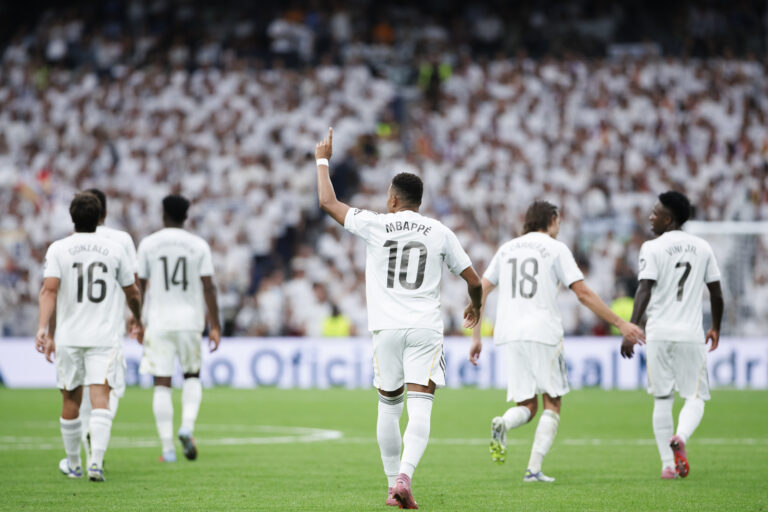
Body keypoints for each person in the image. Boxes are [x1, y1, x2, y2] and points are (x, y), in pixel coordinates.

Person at [315, 127, 482, 509]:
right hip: (425, 327)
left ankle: (393, 485)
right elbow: (474, 280)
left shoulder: (376, 223)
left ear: (392, 199)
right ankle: (406, 476)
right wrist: (476, 306)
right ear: (418, 202)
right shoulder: (440, 232)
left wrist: (322, 159)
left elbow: (327, 202)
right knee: (420, 406)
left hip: (386, 328)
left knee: (388, 406)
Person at [469, 200, 645, 482]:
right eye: (558, 221)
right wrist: (620, 322)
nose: (560, 226)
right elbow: (583, 293)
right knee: (552, 402)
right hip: (543, 331)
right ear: (550, 220)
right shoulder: (555, 248)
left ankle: (503, 422)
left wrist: (477, 336)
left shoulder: (506, 249)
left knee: (527, 405)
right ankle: (533, 470)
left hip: (510, 333)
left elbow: (479, 289)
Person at [36, 193, 143, 482]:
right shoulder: (114, 249)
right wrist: (139, 317)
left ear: (72, 217)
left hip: (69, 336)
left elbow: (49, 290)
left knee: (70, 400)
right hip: (104, 337)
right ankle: (96, 462)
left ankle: (74, 464)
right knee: (101, 398)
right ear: (100, 218)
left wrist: (44, 329)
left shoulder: (59, 248)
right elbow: (131, 292)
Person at [620, 191, 724, 479]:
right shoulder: (702, 247)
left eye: (655, 213)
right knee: (695, 397)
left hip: (658, 334)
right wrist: (715, 326)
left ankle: (667, 464)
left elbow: (644, 288)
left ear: (669, 218)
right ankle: (681, 437)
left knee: (662, 399)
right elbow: (716, 292)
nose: (651, 217)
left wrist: (631, 328)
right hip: (690, 334)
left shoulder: (651, 248)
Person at [137, 195, 221, 463]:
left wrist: (136, 319)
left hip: (158, 321)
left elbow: (139, 286)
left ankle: (167, 449)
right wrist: (216, 325)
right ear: (186, 217)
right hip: (189, 321)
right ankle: (187, 427)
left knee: (161, 383)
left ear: (163, 215)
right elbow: (208, 286)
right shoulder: (198, 245)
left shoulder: (149, 244)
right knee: (192, 376)